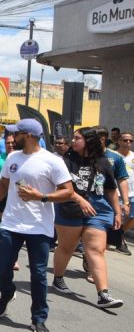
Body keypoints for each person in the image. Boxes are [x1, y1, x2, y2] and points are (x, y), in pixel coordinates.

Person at [0, 118, 73, 332]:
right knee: (3, 267)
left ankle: (39, 319)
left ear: (28, 136)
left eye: (17, 134)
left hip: (39, 228)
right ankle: (7, 293)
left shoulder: (52, 161)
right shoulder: (12, 158)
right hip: (11, 223)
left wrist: (40, 196)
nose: (12, 138)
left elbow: (67, 191)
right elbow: (3, 185)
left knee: (38, 275)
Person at [51, 127, 124, 309]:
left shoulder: (104, 162)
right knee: (67, 248)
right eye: (73, 138)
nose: (73, 141)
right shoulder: (66, 161)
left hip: (97, 211)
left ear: (88, 141)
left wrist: (117, 211)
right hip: (70, 210)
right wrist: (79, 199)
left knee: (96, 250)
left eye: (77, 138)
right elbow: (61, 188)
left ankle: (103, 295)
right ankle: (58, 279)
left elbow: (110, 189)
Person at [116, 132, 134, 248]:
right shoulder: (114, 156)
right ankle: (116, 238)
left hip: (133, 192)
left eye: (130, 141)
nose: (128, 142)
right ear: (119, 141)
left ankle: (119, 234)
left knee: (132, 217)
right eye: (125, 140)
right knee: (119, 217)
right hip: (118, 193)